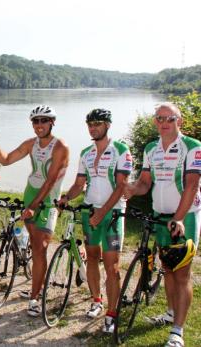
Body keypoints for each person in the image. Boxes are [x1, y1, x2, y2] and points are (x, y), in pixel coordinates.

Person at [124, 102, 200, 347]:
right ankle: (169, 313)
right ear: (155, 122)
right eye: (160, 118)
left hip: (184, 216)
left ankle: (177, 331)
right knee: (167, 267)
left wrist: (178, 217)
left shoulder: (192, 147)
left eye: (170, 118)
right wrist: (132, 189)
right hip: (160, 214)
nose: (164, 123)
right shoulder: (150, 148)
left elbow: (192, 185)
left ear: (180, 121)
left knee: (182, 274)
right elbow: (146, 182)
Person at [0, 105, 69, 317]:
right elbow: (6, 160)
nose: (39, 125)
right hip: (30, 194)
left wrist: (34, 207)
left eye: (43, 121)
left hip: (48, 201)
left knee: (40, 247)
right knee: (33, 241)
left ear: (52, 123)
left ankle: (35, 297)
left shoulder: (61, 147)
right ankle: (37, 286)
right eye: (35, 121)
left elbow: (50, 181)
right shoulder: (30, 144)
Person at [57, 108, 131, 333]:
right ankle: (96, 300)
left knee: (112, 266)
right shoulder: (86, 153)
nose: (92, 127)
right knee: (91, 257)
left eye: (97, 123)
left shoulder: (121, 150)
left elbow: (121, 186)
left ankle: (112, 312)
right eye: (89, 123)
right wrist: (66, 197)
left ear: (107, 125)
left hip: (112, 214)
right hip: (90, 212)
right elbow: (79, 184)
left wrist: (103, 212)